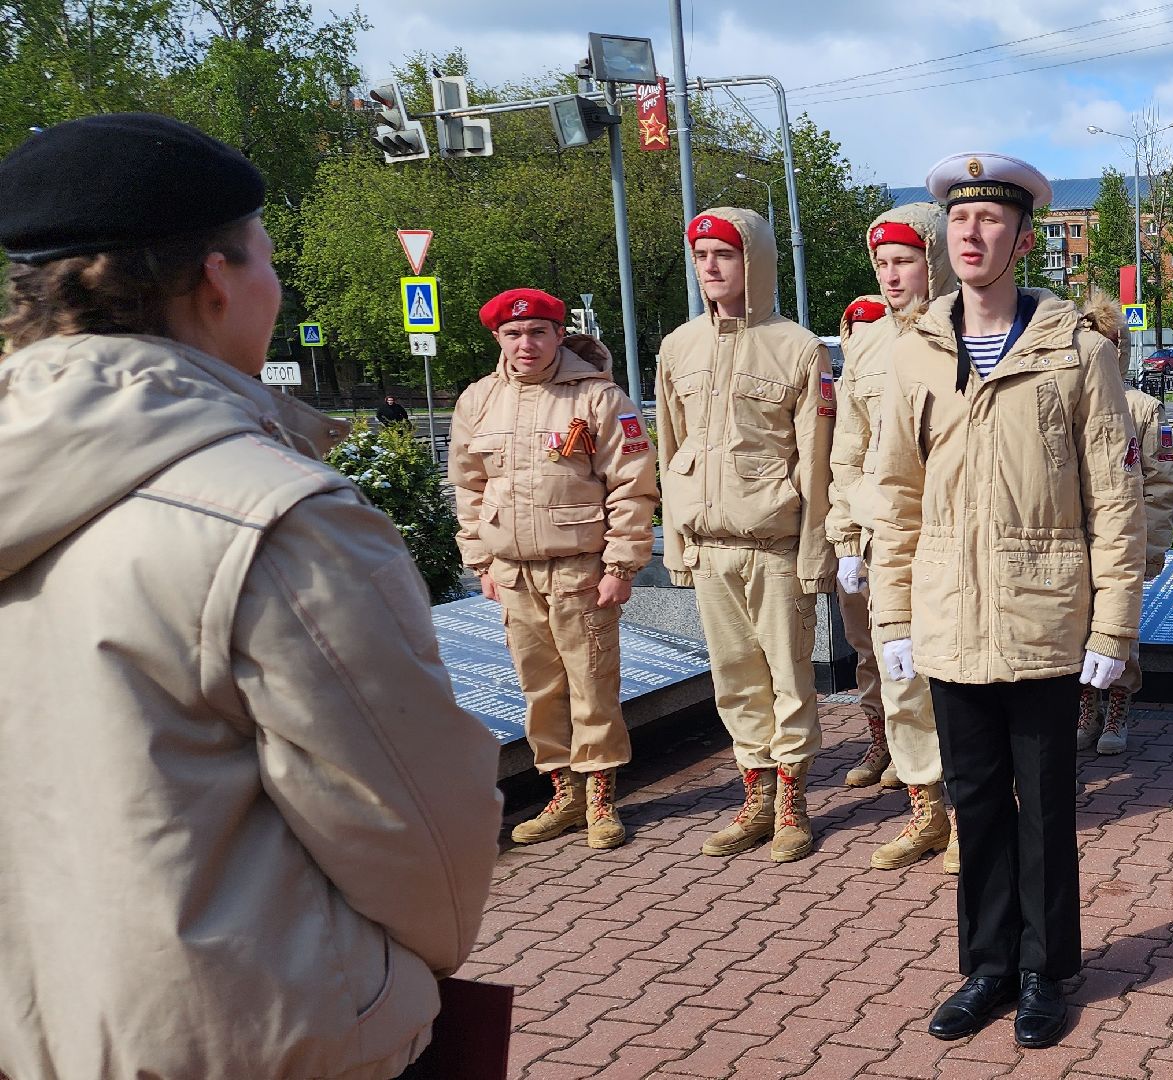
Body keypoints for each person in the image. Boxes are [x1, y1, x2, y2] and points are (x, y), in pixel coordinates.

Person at [0, 113, 500, 1079]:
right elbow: (417, 834)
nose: (275, 283)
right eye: (267, 257)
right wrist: (392, 982)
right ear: (216, 281)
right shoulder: (275, 517)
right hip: (254, 1036)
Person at [868, 152, 1145, 1049]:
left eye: (990, 220)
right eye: (959, 220)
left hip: (1043, 615)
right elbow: (894, 494)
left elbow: (1114, 498)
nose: (972, 234)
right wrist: (893, 616)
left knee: (1046, 803)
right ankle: (987, 967)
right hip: (949, 613)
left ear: (1023, 241)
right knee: (975, 800)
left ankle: (1044, 970)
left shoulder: (1078, 353)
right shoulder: (913, 354)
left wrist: (1112, 625)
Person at [656, 206, 837, 862]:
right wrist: (678, 544)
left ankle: (791, 804)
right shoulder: (678, 348)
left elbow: (816, 462)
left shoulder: (798, 348)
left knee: (789, 677)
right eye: (701, 255)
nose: (709, 267)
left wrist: (815, 553)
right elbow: (670, 449)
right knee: (733, 679)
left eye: (724, 255)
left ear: (753, 261)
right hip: (711, 549)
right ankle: (755, 798)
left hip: (775, 547)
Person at [450, 288, 659, 850]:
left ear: (558, 334)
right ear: (498, 338)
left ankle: (600, 799)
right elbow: (469, 489)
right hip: (514, 574)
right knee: (539, 690)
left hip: (581, 571)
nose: (526, 344)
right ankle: (563, 795)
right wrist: (481, 561)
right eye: (513, 334)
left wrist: (622, 565)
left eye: (538, 332)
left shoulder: (598, 397)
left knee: (593, 684)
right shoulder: (479, 401)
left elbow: (633, 486)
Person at [829, 202, 955, 872]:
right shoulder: (868, 344)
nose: (891, 275)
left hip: (955, 539)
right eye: (881, 263)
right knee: (902, 679)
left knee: (963, 680)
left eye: (904, 260)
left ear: (934, 261)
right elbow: (849, 451)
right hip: (888, 542)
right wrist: (847, 535)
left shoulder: (969, 334)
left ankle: (975, 813)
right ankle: (926, 811)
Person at [1077, 285, 1173, 755]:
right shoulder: (1069, 398)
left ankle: (1118, 706)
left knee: (1121, 629)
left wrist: (1150, 547)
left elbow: (1161, 484)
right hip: (1075, 540)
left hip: (1123, 539)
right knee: (1077, 630)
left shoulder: (1140, 407)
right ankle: (1086, 706)